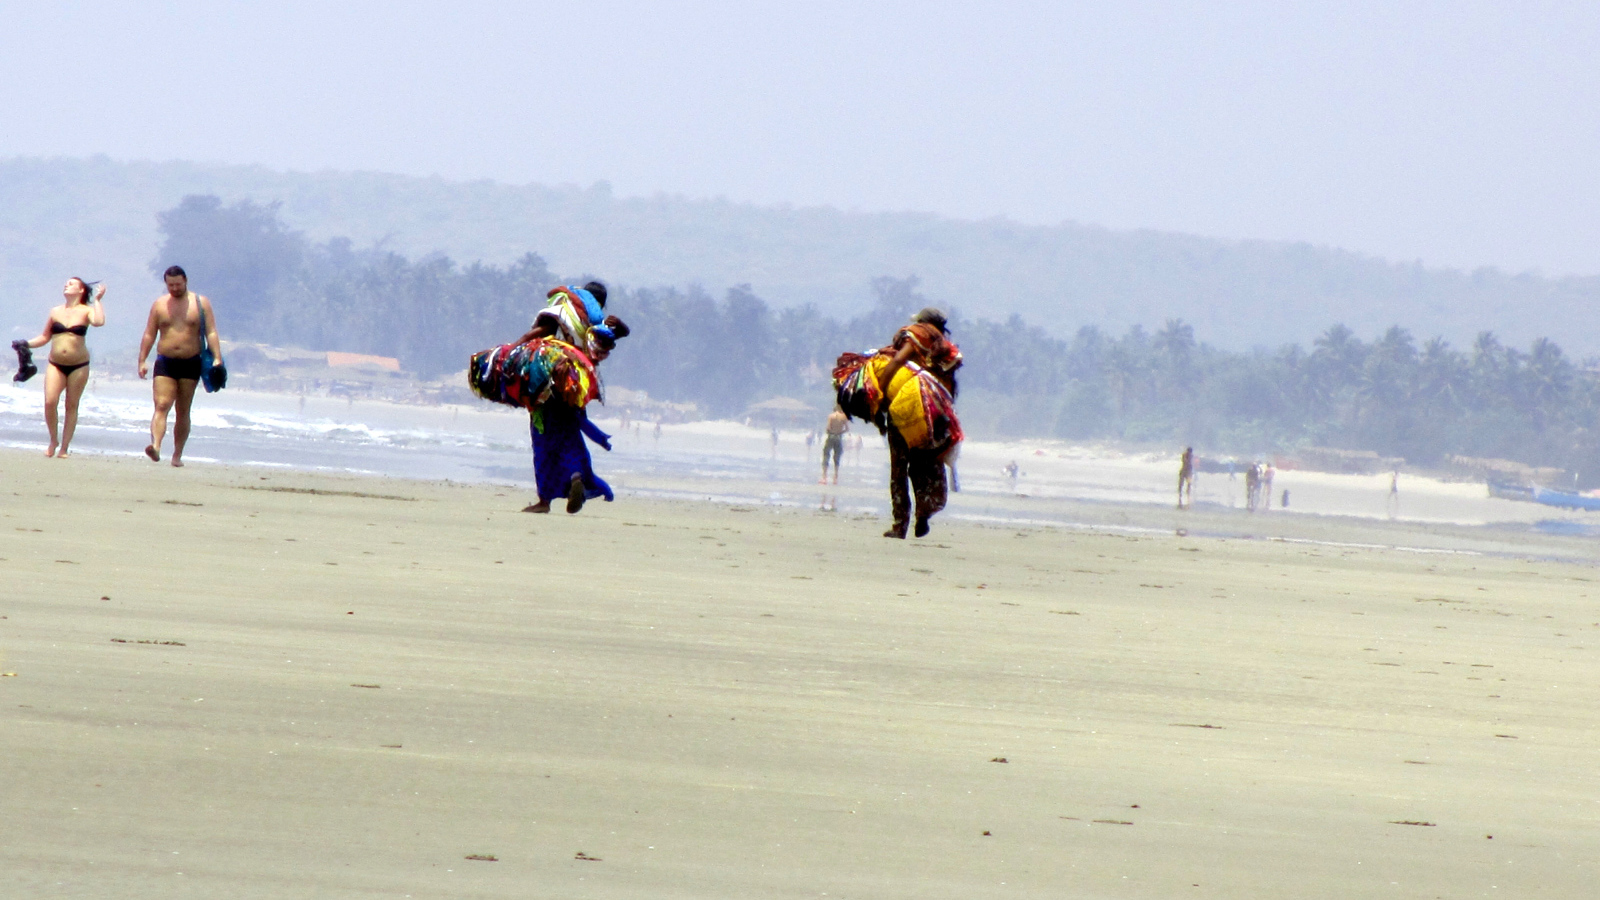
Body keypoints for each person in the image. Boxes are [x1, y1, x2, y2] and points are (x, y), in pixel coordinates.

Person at [835, 307, 962, 538]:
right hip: (934, 412)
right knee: (926, 464)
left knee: (899, 468)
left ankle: (900, 524)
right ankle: (924, 513)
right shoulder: (944, 348)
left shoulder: (917, 335)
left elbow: (899, 360)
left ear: (922, 321)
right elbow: (950, 388)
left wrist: (878, 391)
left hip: (907, 406)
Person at [515, 282, 630, 514]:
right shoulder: (598, 325)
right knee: (570, 436)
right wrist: (620, 326)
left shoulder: (565, 312)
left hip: (550, 383)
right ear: (601, 304)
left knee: (542, 440)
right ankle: (576, 476)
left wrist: (514, 348)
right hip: (575, 387)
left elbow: (540, 331)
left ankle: (544, 500)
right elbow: (617, 336)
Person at [136, 266, 223, 466]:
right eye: (170, 285)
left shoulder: (200, 303)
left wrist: (217, 357)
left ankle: (177, 455)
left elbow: (211, 332)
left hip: (191, 361)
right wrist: (142, 359)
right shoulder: (159, 305)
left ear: (185, 281)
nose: (174, 288)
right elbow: (149, 333)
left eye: (178, 284)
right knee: (162, 404)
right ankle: (156, 446)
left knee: (183, 410)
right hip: (165, 361)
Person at [23, 277, 106, 457]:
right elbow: (44, 337)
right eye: (66, 283)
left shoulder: (86, 311)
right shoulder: (55, 311)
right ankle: (53, 440)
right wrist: (26, 344)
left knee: (71, 405)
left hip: (79, 365)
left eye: (71, 284)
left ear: (81, 290)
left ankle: (64, 447)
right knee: (50, 402)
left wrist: (98, 301)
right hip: (56, 363)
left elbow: (99, 322)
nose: (66, 285)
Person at [820, 405, 849, 484]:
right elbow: (847, 429)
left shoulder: (831, 416)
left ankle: (824, 477)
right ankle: (835, 477)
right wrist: (840, 432)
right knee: (837, 457)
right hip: (838, 437)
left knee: (826, 455)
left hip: (831, 436)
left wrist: (830, 432)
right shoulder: (844, 417)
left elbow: (828, 427)